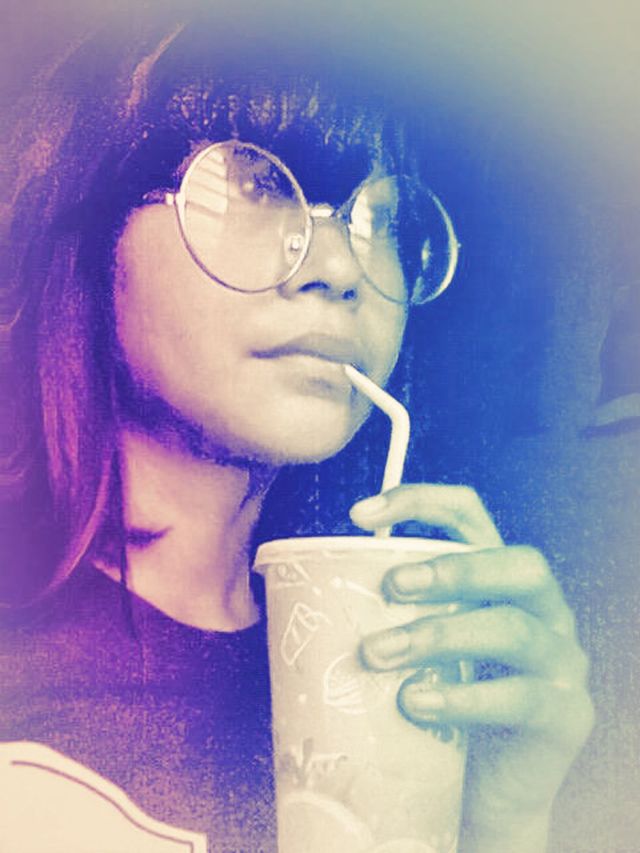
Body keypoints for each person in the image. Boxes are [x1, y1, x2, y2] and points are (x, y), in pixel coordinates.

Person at [0, 11, 593, 852]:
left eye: (379, 220)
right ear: (93, 235)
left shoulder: (390, 667)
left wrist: (502, 822)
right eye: (253, 183)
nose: (345, 267)